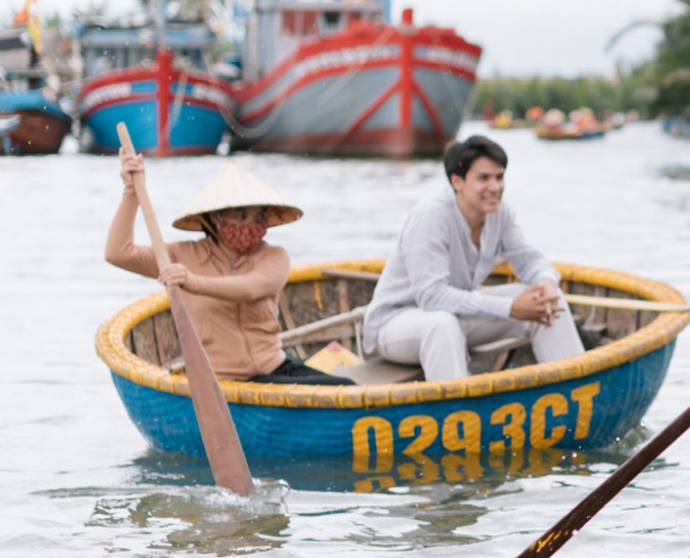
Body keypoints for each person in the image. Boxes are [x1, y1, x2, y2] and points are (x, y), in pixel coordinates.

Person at [105, 154, 353, 385]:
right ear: (216, 219)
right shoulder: (181, 255)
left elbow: (249, 288)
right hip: (218, 382)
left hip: (273, 371)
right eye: (241, 215)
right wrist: (131, 192)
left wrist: (192, 281)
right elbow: (118, 253)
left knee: (347, 388)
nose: (251, 226)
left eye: (259, 218)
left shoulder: (274, 256)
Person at [362, 135, 583, 381]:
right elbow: (431, 297)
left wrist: (547, 282)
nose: (495, 187)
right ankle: (457, 413)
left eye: (499, 177)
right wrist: (510, 308)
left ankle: (576, 389)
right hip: (397, 325)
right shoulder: (431, 217)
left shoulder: (499, 211)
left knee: (545, 301)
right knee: (441, 324)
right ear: (457, 181)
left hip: (456, 316)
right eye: (484, 178)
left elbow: (529, 259)